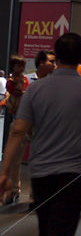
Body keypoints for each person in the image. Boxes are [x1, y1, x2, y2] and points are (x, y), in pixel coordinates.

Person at [0, 33, 81, 235]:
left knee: (46, 227)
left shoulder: (34, 90)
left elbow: (17, 132)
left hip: (41, 174)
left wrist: (4, 172)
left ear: (57, 57)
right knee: (64, 229)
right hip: (75, 175)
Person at [4, 53, 30, 204]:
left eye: (22, 65)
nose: (21, 68)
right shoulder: (11, 81)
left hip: (28, 119)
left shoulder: (24, 79)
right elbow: (17, 93)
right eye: (18, 65)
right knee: (15, 158)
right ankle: (14, 188)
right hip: (17, 117)